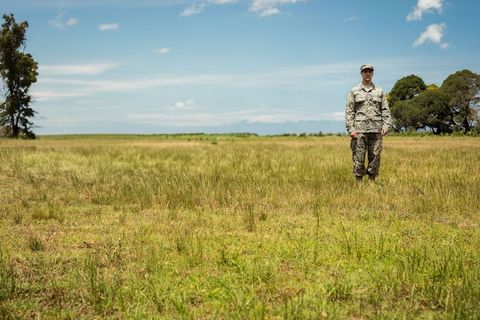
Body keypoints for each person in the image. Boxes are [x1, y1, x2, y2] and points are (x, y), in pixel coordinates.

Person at [345, 64, 392, 182]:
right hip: (359, 130)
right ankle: (358, 181)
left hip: (376, 130)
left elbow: (385, 109)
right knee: (358, 157)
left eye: (370, 71)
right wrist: (351, 129)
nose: (367, 73)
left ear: (372, 73)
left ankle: (372, 181)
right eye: (365, 71)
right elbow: (350, 111)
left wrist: (386, 125)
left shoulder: (379, 91)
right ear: (361, 73)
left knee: (375, 156)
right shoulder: (354, 91)